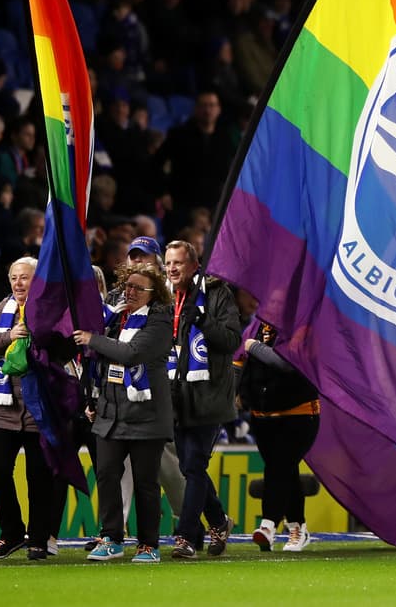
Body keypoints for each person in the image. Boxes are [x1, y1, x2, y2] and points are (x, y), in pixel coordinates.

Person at [74, 262, 174, 564]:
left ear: (153, 293)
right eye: (128, 286)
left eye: (138, 288)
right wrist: (93, 398)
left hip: (146, 416)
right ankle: (111, 538)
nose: (130, 292)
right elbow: (100, 363)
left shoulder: (159, 321)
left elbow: (132, 354)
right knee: (106, 475)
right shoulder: (115, 318)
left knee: (146, 483)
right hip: (111, 412)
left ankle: (148, 544)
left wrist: (93, 339)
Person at [0, 256, 55, 561]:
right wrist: (9, 336)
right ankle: (12, 532)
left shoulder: (51, 309)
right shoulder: (1, 309)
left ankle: (39, 538)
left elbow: (66, 347)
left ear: (38, 280)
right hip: (2, 406)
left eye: (25, 277)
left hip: (39, 406)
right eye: (14, 278)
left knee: (39, 476)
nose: (18, 283)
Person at [162, 239, 239, 559]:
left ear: (195, 265)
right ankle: (219, 521)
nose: (171, 268)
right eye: (168, 263)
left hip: (209, 395)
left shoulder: (217, 293)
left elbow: (231, 340)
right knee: (189, 465)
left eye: (178, 262)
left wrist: (203, 320)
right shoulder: (165, 296)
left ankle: (186, 537)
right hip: (176, 396)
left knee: (194, 465)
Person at [237, 287, 319, 552]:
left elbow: (287, 365)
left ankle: (268, 525)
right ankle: (298, 527)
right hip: (263, 415)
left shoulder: (303, 330)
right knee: (285, 470)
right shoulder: (258, 327)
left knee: (279, 466)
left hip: (299, 414)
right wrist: (242, 393)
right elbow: (244, 364)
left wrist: (254, 347)